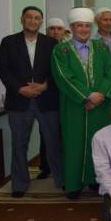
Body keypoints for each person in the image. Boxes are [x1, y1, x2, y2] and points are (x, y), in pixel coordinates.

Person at [0, 6, 64, 197]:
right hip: (19, 101)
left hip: (47, 100)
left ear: (41, 22)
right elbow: (4, 70)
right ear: (22, 19)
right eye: (29, 17)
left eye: (37, 18)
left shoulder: (51, 43)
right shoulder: (8, 42)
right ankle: (19, 184)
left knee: (54, 144)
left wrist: (45, 86)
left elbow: (58, 70)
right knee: (19, 145)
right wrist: (20, 89)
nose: (33, 21)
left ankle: (62, 180)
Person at [51, 7, 111, 200]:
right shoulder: (61, 50)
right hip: (74, 104)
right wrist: (87, 96)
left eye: (87, 26)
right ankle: (73, 184)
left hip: (100, 106)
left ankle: (97, 180)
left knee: (99, 143)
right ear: (72, 27)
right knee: (74, 143)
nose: (84, 29)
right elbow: (63, 77)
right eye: (79, 25)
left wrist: (100, 96)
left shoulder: (102, 47)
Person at [38, 16, 67, 179]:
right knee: (47, 134)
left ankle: (64, 167)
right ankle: (45, 166)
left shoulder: (68, 48)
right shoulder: (41, 48)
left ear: (64, 31)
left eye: (59, 29)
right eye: (52, 28)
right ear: (46, 31)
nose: (55, 32)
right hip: (47, 98)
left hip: (67, 97)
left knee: (65, 134)